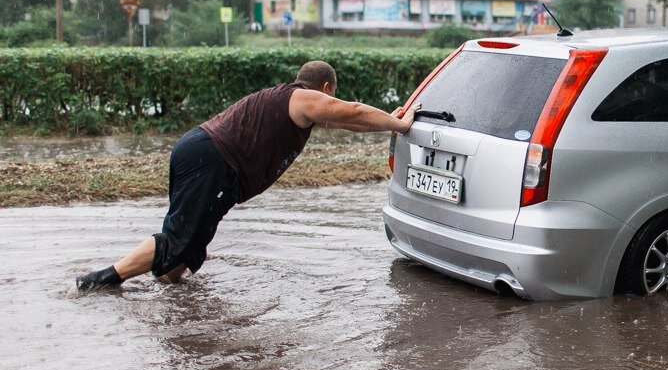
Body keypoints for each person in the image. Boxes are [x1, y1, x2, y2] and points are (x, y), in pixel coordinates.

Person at [75, 61, 420, 293]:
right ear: (326, 87)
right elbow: (353, 110)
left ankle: (170, 300)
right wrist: (403, 125)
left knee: (192, 248)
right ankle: (100, 281)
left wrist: (388, 120)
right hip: (210, 159)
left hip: (204, 155)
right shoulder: (302, 98)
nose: (329, 103)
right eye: (331, 95)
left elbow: (350, 121)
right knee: (178, 238)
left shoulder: (294, 104)